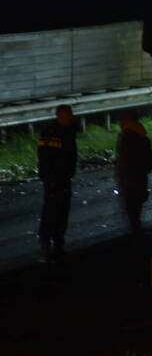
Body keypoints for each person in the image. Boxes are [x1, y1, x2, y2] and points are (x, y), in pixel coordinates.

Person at [37, 104, 77, 263]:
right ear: (60, 116)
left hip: (63, 178)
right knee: (52, 210)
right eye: (68, 115)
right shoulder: (51, 133)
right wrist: (51, 178)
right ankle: (47, 243)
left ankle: (58, 244)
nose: (70, 117)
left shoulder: (67, 131)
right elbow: (46, 158)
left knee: (62, 211)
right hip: (54, 180)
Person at [115, 110, 152, 237]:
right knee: (135, 209)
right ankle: (137, 233)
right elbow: (149, 162)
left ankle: (136, 237)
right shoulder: (141, 136)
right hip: (138, 179)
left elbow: (125, 161)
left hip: (130, 180)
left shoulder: (127, 137)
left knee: (132, 210)